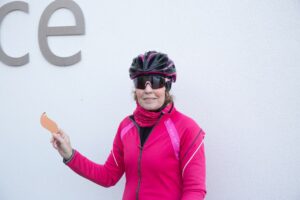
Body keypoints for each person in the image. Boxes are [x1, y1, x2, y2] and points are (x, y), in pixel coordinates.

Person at [50, 51, 207, 200]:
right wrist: (69, 154)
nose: (147, 89)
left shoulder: (186, 128)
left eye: (155, 82)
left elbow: (194, 190)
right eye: (140, 82)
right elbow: (108, 176)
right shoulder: (126, 127)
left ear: (167, 86)